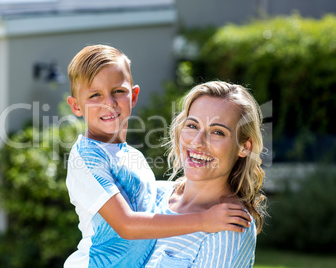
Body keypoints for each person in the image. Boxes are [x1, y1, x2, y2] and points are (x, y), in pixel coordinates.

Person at [64, 45, 252, 268]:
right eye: (95, 95)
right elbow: (127, 225)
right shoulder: (86, 158)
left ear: (133, 96)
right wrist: (203, 220)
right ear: (76, 106)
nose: (109, 103)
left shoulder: (133, 158)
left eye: (118, 91)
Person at [145, 81, 267, 267]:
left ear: (244, 147)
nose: (197, 141)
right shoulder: (151, 195)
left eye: (217, 132)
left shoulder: (229, 227)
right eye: (192, 125)